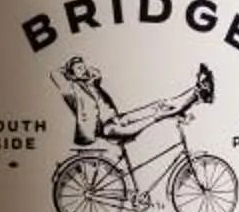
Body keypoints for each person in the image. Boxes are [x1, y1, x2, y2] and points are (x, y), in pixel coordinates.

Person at [55, 56, 214, 165]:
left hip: (118, 119)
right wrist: (70, 74)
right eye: (78, 69)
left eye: (83, 66)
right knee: (158, 116)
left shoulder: (91, 83)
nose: (82, 69)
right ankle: (197, 95)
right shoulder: (74, 90)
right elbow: (54, 74)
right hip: (110, 129)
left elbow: (95, 73)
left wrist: (82, 72)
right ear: (72, 73)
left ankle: (198, 91)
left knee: (158, 105)